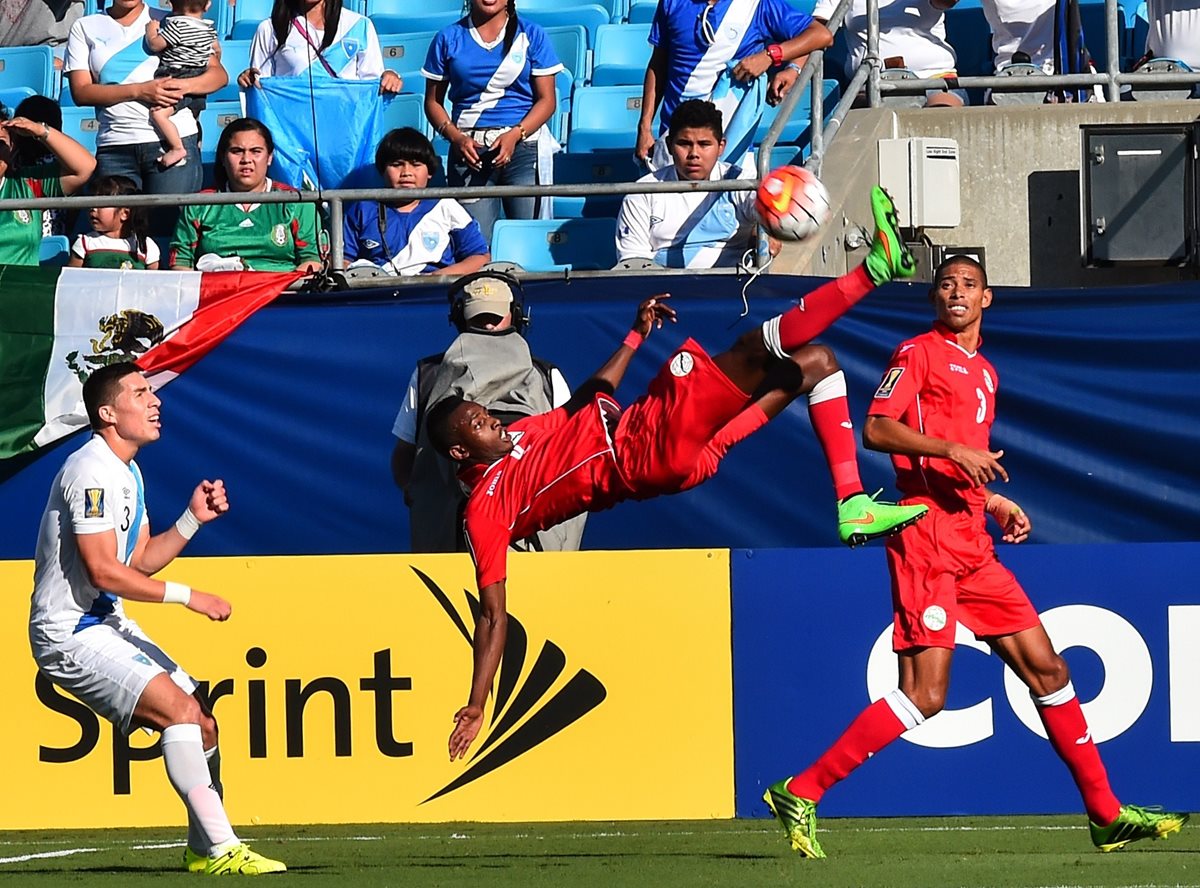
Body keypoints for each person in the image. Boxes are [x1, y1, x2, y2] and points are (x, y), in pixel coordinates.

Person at [428, 187, 928, 760]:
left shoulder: (518, 438)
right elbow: (493, 613)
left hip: (668, 456)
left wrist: (635, 336)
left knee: (816, 364)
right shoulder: (484, 509)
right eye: (476, 422)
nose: (489, 417)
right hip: (640, 449)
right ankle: (875, 269)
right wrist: (478, 697)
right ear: (461, 453)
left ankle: (852, 501)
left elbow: (582, 402)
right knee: (751, 349)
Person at [761, 255, 1191, 858]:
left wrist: (991, 501)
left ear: (987, 298)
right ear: (934, 298)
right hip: (926, 539)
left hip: (972, 540)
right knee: (926, 695)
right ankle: (801, 790)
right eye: (945, 284)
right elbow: (878, 430)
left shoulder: (985, 372)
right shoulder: (918, 354)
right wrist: (953, 450)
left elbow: (962, 461)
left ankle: (1106, 814)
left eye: (967, 285)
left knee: (1050, 671)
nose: (956, 293)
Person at [29, 362, 286, 875]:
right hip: (68, 632)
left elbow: (138, 561)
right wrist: (190, 596)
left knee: (204, 723)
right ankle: (221, 848)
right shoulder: (90, 471)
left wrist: (192, 520)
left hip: (102, 623)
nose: (155, 401)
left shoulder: (128, 469)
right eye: (140, 393)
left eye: (153, 391)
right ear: (107, 412)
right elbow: (104, 571)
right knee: (180, 714)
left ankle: (200, 847)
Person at [392, 269, 582, 554]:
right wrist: (420, 495)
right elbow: (404, 453)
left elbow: (573, 453)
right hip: (451, 538)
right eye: (480, 319)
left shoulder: (547, 375)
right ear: (461, 319)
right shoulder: (427, 376)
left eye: (495, 318)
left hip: (535, 536)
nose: (489, 327)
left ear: (515, 316)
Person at [421, 0, 564, 242]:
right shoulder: (447, 38)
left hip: (524, 150)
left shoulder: (532, 35)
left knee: (528, 241)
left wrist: (515, 134)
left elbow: (547, 101)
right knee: (475, 244)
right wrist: (455, 137)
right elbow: (433, 102)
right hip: (470, 154)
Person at [635, 0, 833, 169]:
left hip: (732, 144)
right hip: (675, 142)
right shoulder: (671, 2)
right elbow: (657, 65)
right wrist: (644, 128)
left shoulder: (757, 5)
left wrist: (770, 56)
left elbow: (821, 35)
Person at [64, 0, 227, 197]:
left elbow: (219, 76)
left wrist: (181, 86)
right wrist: (140, 91)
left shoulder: (173, 19)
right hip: (115, 147)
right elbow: (81, 92)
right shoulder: (84, 27)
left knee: (166, 226)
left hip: (173, 143)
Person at [618, 99, 760, 269]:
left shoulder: (740, 182)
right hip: (665, 290)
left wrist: (770, 227)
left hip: (735, 289)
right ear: (669, 145)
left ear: (721, 146)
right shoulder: (642, 192)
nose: (694, 154)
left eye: (704, 144)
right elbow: (634, 261)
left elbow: (768, 210)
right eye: (684, 144)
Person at [169, 117, 322, 272]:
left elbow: (312, 261)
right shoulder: (199, 205)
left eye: (256, 151)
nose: (246, 159)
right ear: (223, 157)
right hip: (219, 294)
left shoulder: (297, 203)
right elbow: (181, 262)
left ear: (269, 157)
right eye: (237, 151)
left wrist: (276, 288)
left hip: (283, 293)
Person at [343, 127, 490, 276]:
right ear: (382, 170)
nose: (406, 172)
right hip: (378, 293)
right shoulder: (362, 209)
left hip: (436, 293)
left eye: (416, 164)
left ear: (430, 172)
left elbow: (480, 257)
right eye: (396, 164)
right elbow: (343, 260)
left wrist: (438, 277)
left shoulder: (446, 206)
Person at [814, 0, 967, 108]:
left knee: (940, 118)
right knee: (862, 128)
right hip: (871, 86)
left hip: (934, 80)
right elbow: (815, 32)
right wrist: (795, 68)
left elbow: (946, 2)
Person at [236, 0, 402, 93]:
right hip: (291, 134)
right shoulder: (269, 28)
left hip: (345, 131)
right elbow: (262, 91)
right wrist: (249, 80)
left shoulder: (360, 26)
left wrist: (389, 76)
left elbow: (371, 87)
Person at [0, 109, 96, 266]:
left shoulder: (27, 183)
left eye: (0, 143)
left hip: (22, 287)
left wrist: (40, 130)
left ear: (12, 149)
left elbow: (85, 167)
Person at [144, 0, 218, 170]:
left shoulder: (176, 25)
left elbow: (156, 45)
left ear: (172, 5)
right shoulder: (209, 29)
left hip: (177, 76)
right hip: (198, 76)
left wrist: (151, 31)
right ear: (207, 5)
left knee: (158, 114)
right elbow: (216, 50)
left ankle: (177, 148)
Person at [69, 174, 160, 269]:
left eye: (101, 204)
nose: (93, 208)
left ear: (125, 213)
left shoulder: (146, 247)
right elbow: (71, 279)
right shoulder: (85, 243)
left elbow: (152, 281)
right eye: (92, 203)